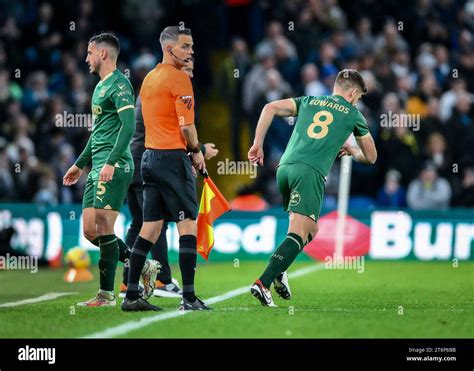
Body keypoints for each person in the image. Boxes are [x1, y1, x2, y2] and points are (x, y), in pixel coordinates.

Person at [248, 69, 377, 306]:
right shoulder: (353, 114)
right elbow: (371, 157)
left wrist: (257, 145)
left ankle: (280, 269)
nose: (357, 101)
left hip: (285, 168)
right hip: (310, 172)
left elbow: (269, 108)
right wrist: (352, 150)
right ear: (353, 94)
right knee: (300, 233)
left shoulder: (308, 100)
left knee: (310, 229)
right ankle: (263, 282)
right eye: (358, 98)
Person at [63, 33, 160, 307]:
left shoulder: (120, 85)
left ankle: (106, 295)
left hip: (114, 165)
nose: (86, 58)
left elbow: (128, 126)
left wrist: (110, 162)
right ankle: (143, 266)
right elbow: (98, 133)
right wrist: (80, 164)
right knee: (90, 231)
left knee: (105, 227)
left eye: (90, 52)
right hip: (98, 166)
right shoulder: (99, 87)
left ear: (103, 54)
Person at [122, 26, 213, 312]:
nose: (190, 52)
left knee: (149, 228)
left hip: (148, 160)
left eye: (192, 47)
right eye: (185, 46)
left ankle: (131, 295)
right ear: (169, 48)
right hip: (173, 160)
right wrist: (197, 152)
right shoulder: (178, 79)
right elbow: (186, 127)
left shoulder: (149, 78)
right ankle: (188, 297)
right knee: (187, 226)